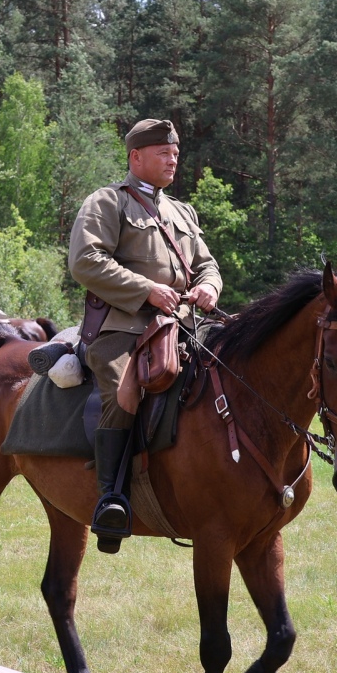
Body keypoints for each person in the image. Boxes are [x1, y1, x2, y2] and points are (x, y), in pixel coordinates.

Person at [68, 118, 222, 553]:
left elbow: (207, 265)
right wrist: (146, 290)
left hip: (186, 325)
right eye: (163, 153)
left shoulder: (182, 212)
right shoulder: (107, 202)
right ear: (136, 157)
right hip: (124, 328)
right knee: (124, 390)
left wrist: (209, 287)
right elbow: (85, 261)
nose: (173, 159)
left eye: (176, 153)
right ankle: (111, 499)